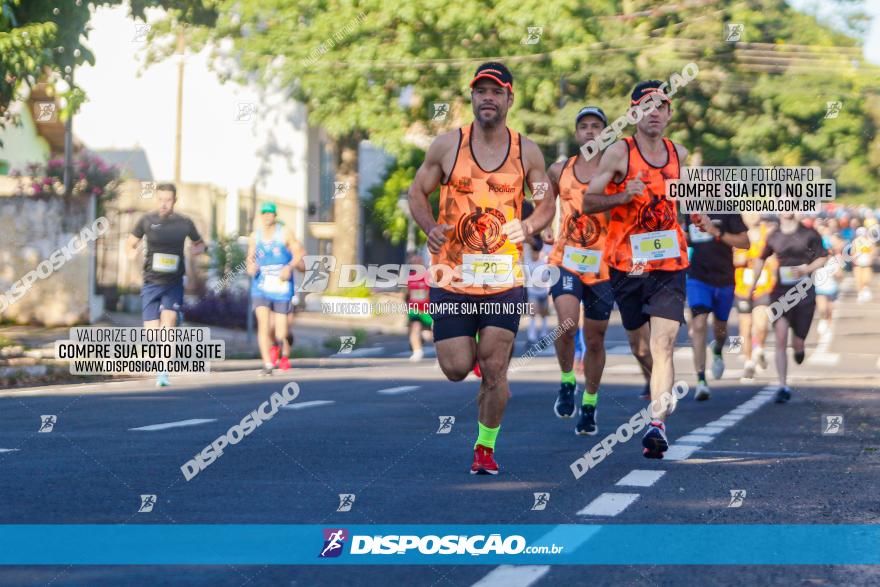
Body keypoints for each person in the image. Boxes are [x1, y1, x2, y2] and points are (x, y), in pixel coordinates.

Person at [408, 62, 555, 475]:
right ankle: (477, 361)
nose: (487, 98)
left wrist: (528, 225)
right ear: (472, 98)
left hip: (503, 277)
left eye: (496, 91)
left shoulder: (527, 151)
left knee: (494, 370)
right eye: (480, 91)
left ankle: (484, 448)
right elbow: (417, 191)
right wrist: (430, 227)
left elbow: (546, 200)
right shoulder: (447, 146)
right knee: (456, 369)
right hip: (453, 278)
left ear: (510, 99)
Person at [583, 80, 690, 458]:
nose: (655, 112)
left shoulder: (680, 154)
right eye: (646, 106)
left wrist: (703, 221)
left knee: (664, 345)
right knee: (640, 346)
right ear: (634, 114)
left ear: (669, 113)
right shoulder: (618, 153)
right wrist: (621, 196)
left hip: (670, 263)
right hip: (627, 264)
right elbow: (587, 201)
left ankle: (657, 425)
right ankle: (657, 383)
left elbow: (686, 203)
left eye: (661, 105)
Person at [546, 106, 630, 435]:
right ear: (576, 133)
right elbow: (541, 195)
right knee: (567, 325)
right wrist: (543, 225)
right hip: (565, 258)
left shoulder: (615, 171)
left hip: (604, 266)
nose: (591, 132)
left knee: (595, 340)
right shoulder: (559, 169)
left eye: (597, 126)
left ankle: (590, 402)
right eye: (584, 127)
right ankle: (568, 381)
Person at [126, 183, 205, 387]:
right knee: (152, 334)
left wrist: (197, 251)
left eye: (168, 200)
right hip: (151, 282)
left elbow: (200, 243)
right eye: (160, 199)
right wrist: (130, 252)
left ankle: (163, 372)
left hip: (173, 283)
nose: (164, 204)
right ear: (156, 199)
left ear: (174, 201)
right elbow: (130, 242)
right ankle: (174, 323)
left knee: (167, 328)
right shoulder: (146, 221)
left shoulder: (184, 223)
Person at [749, 213, 828, 403]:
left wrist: (806, 270)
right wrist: (753, 283)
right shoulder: (773, 235)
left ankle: (799, 349)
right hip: (781, 293)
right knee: (780, 338)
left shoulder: (809, 233)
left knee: (798, 342)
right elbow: (760, 258)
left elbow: (823, 257)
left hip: (804, 294)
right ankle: (782, 385)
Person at [684, 213, 749, 400]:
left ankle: (718, 349)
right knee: (698, 324)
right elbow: (685, 238)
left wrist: (715, 232)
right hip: (697, 278)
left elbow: (745, 242)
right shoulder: (689, 210)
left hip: (724, 279)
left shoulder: (728, 210)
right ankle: (701, 380)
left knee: (720, 329)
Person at [246, 202, 305, 375]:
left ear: (275, 215)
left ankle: (279, 347)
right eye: (264, 213)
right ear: (261, 216)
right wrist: (251, 266)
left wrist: (289, 266)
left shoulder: (284, 232)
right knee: (263, 325)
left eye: (270, 213)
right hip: (261, 286)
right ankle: (267, 364)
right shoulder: (255, 236)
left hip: (281, 287)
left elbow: (299, 252)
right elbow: (250, 257)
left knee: (281, 331)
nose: (267, 216)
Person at [733, 217, 777, 380]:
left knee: (761, 325)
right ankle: (749, 363)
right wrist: (745, 258)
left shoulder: (768, 233)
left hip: (763, 288)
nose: (752, 214)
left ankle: (759, 349)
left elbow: (773, 259)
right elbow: (736, 260)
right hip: (743, 289)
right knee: (745, 328)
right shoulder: (739, 234)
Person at [405, 251, 433, 361]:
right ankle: (417, 351)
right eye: (413, 262)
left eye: (418, 261)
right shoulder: (409, 277)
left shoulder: (429, 275)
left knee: (429, 334)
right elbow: (407, 293)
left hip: (427, 309)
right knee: (415, 328)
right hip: (414, 308)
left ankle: (442, 349)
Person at [524, 240, 550, 345]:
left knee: (544, 314)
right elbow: (526, 243)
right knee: (532, 313)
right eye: (532, 253)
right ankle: (532, 336)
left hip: (543, 291)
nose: (534, 255)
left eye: (536, 253)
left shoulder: (544, 260)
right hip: (532, 291)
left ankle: (544, 335)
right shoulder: (527, 259)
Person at [852, 227, 875, 302]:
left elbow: (873, 251)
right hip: (858, 264)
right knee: (858, 280)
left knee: (866, 279)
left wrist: (870, 259)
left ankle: (865, 290)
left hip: (866, 263)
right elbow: (852, 252)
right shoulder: (855, 241)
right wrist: (854, 260)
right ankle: (860, 294)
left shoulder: (869, 241)